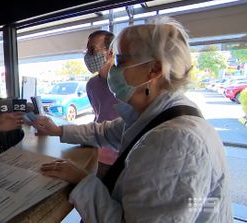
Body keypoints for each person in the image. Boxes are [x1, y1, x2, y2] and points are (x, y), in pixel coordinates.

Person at [32, 17, 232, 222]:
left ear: (153, 70)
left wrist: (81, 180)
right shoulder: (157, 115)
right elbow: (104, 131)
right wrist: (59, 131)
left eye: (120, 62)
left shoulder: (174, 142)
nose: (114, 70)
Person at [83, 30, 121, 177]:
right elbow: (98, 115)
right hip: (97, 152)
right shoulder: (91, 85)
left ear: (110, 52)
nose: (88, 55)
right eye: (87, 51)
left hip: (120, 157)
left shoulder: (125, 82)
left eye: (92, 50)